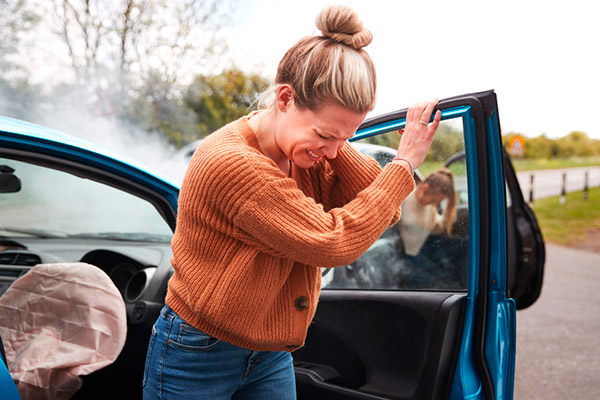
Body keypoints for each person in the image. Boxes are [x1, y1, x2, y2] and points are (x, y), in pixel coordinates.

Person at [142, 5, 441, 400]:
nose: (333, 152)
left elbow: (385, 208)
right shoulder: (232, 164)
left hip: (269, 352)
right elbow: (333, 241)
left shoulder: (304, 150)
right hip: (199, 352)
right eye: (325, 134)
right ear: (285, 98)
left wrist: (333, 143)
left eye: (344, 138)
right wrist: (403, 163)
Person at [399, 168, 458, 287]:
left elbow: (437, 227)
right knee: (441, 283)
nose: (434, 204)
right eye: (433, 200)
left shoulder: (429, 206)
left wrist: (448, 212)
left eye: (437, 202)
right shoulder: (403, 199)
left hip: (425, 247)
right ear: (425, 188)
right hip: (408, 256)